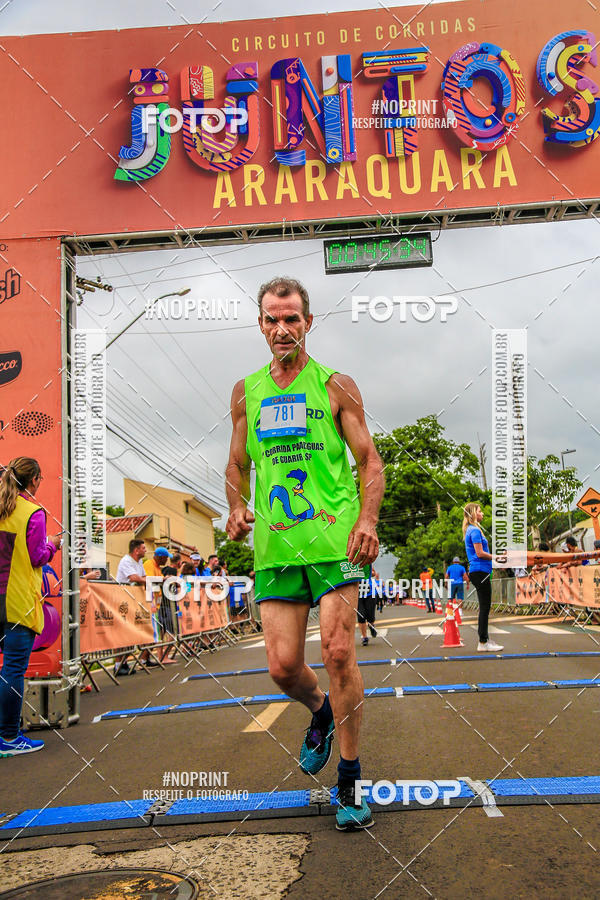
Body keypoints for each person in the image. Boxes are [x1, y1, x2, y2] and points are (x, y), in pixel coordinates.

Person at [225, 276, 384, 831]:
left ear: (308, 323)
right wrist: (236, 507)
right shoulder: (246, 392)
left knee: (339, 652)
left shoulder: (337, 386)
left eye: (291, 318)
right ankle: (319, 711)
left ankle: (350, 777)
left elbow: (369, 461)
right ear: (261, 325)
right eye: (272, 318)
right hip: (276, 544)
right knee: (283, 666)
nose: (281, 328)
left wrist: (366, 519)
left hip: (334, 541)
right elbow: (237, 465)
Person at [0, 458, 61, 756]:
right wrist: (53, 545)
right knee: (12, 670)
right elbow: (38, 556)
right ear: (35, 479)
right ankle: (9, 738)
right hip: (16, 602)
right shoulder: (32, 512)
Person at [463, 503, 503, 652]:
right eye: (480, 511)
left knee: (484, 607)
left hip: (481, 570)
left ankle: (484, 639)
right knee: (485, 607)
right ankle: (483, 642)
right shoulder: (473, 530)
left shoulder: (473, 530)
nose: (483, 513)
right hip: (479, 571)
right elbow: (480, 553)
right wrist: (496, 557)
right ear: (473, 513)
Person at [115, 539, 147, 675]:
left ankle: (125, 662)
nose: (145, 550)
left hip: (133, 600)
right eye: (143, 548)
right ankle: (118, 664)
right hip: (122, 599)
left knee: (128, 632)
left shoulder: (139, 562)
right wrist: (150, 580)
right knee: (121, 632)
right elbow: (134, 578)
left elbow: (143, 576)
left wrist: (147, 580)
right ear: (136, 550)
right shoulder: (126, 561)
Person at [357, 571, 379, 646]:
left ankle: (371, 626)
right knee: (361, 615)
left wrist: (371, 572)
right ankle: (364, 637)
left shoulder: (365, 561)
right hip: (357, 594)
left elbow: (373, 573)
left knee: (370, 615)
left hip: (370, 593)